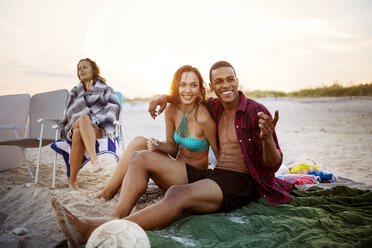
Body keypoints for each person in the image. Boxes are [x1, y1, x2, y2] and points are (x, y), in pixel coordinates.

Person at [51, 61, 293, 247]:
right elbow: (186, 98)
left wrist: (266, 140)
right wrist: (164, 97)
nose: (226, 85)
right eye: (219, 82)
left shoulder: (255, 112)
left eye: (230, 79)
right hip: (216, 175)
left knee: (177, 194)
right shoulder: (214, 106)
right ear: (212, 87)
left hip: (241, 182)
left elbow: (273, 164)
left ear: (237, 80)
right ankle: (116, 215)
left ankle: (91, 230)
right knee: (140, 156)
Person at [96, 65, 218, 200]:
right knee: (138, 142)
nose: (188, 90)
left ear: (200, 88)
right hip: (175, 170)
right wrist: (157, 145)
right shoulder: (172, 110)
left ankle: (112, 194)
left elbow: (220, 157)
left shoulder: (204, 118)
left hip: (192, 179)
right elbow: (171, 146)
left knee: (141, 158)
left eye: (193, 85)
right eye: (182, 85)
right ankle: (107, 192)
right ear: (176, 87)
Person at [58, 58, 120, 189]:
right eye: (79, 68)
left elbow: (113, 108)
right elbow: (70, 112)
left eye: (85, 67)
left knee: (78, 133)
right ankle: (94, 159)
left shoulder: (106, 89)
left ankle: (72, 181)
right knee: (83, 118)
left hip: (96, 128)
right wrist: (86, 115)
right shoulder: (75, 91)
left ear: (94, 70)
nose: (81, 70)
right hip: (75, 124)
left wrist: (96, 118)